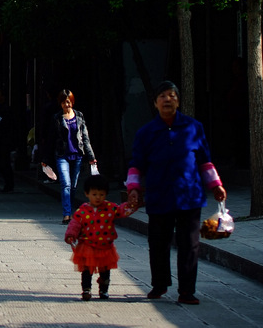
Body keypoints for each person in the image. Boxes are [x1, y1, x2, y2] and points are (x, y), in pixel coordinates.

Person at [126, 81, 227, 305]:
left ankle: (187, 291)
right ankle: (159, 284)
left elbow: (204, 161)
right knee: (158, 243)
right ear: (155, 103)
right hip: (158, 196)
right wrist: (133, 189)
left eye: (172, 95)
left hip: (189, 196)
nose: (167, 100)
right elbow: (136, 164)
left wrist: (215, 185)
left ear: (178, 101)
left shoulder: (194, 127)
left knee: (189, 244)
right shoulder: (146, 133)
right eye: (162, 96)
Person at [64, 174, 136, 300]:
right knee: (87, 269)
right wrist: (71, 235)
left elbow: (122, 210)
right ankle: (86, 290)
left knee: (105, 270)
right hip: (87, 245)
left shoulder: (110, 208)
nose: (98, 197)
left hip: (105, 246)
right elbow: (75, 224)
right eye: (94, 194)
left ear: (106, 194)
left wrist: (131, 205)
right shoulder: (83, 210)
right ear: (87, 194)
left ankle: (104, 290)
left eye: (101, 194)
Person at [41, 89, 96, 224]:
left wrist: (91, 156)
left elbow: (85, 138)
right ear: (60, 103)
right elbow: (51, 139)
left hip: (77, 155)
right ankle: (66, 214)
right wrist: (45, 159)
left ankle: (70, 211)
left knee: (73, 186)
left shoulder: (79, 116)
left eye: (69, 102)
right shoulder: (56, 118)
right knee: (66, 184)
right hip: (62, 155)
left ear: (72, 102)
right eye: (64, 102)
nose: (67, 105)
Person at [0, 89, 16, 192]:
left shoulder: (6, 109)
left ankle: (9, 183)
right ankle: (8, 183)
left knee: (4, 162)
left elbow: (6, 124)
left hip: (4, 140)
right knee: (1, 162)